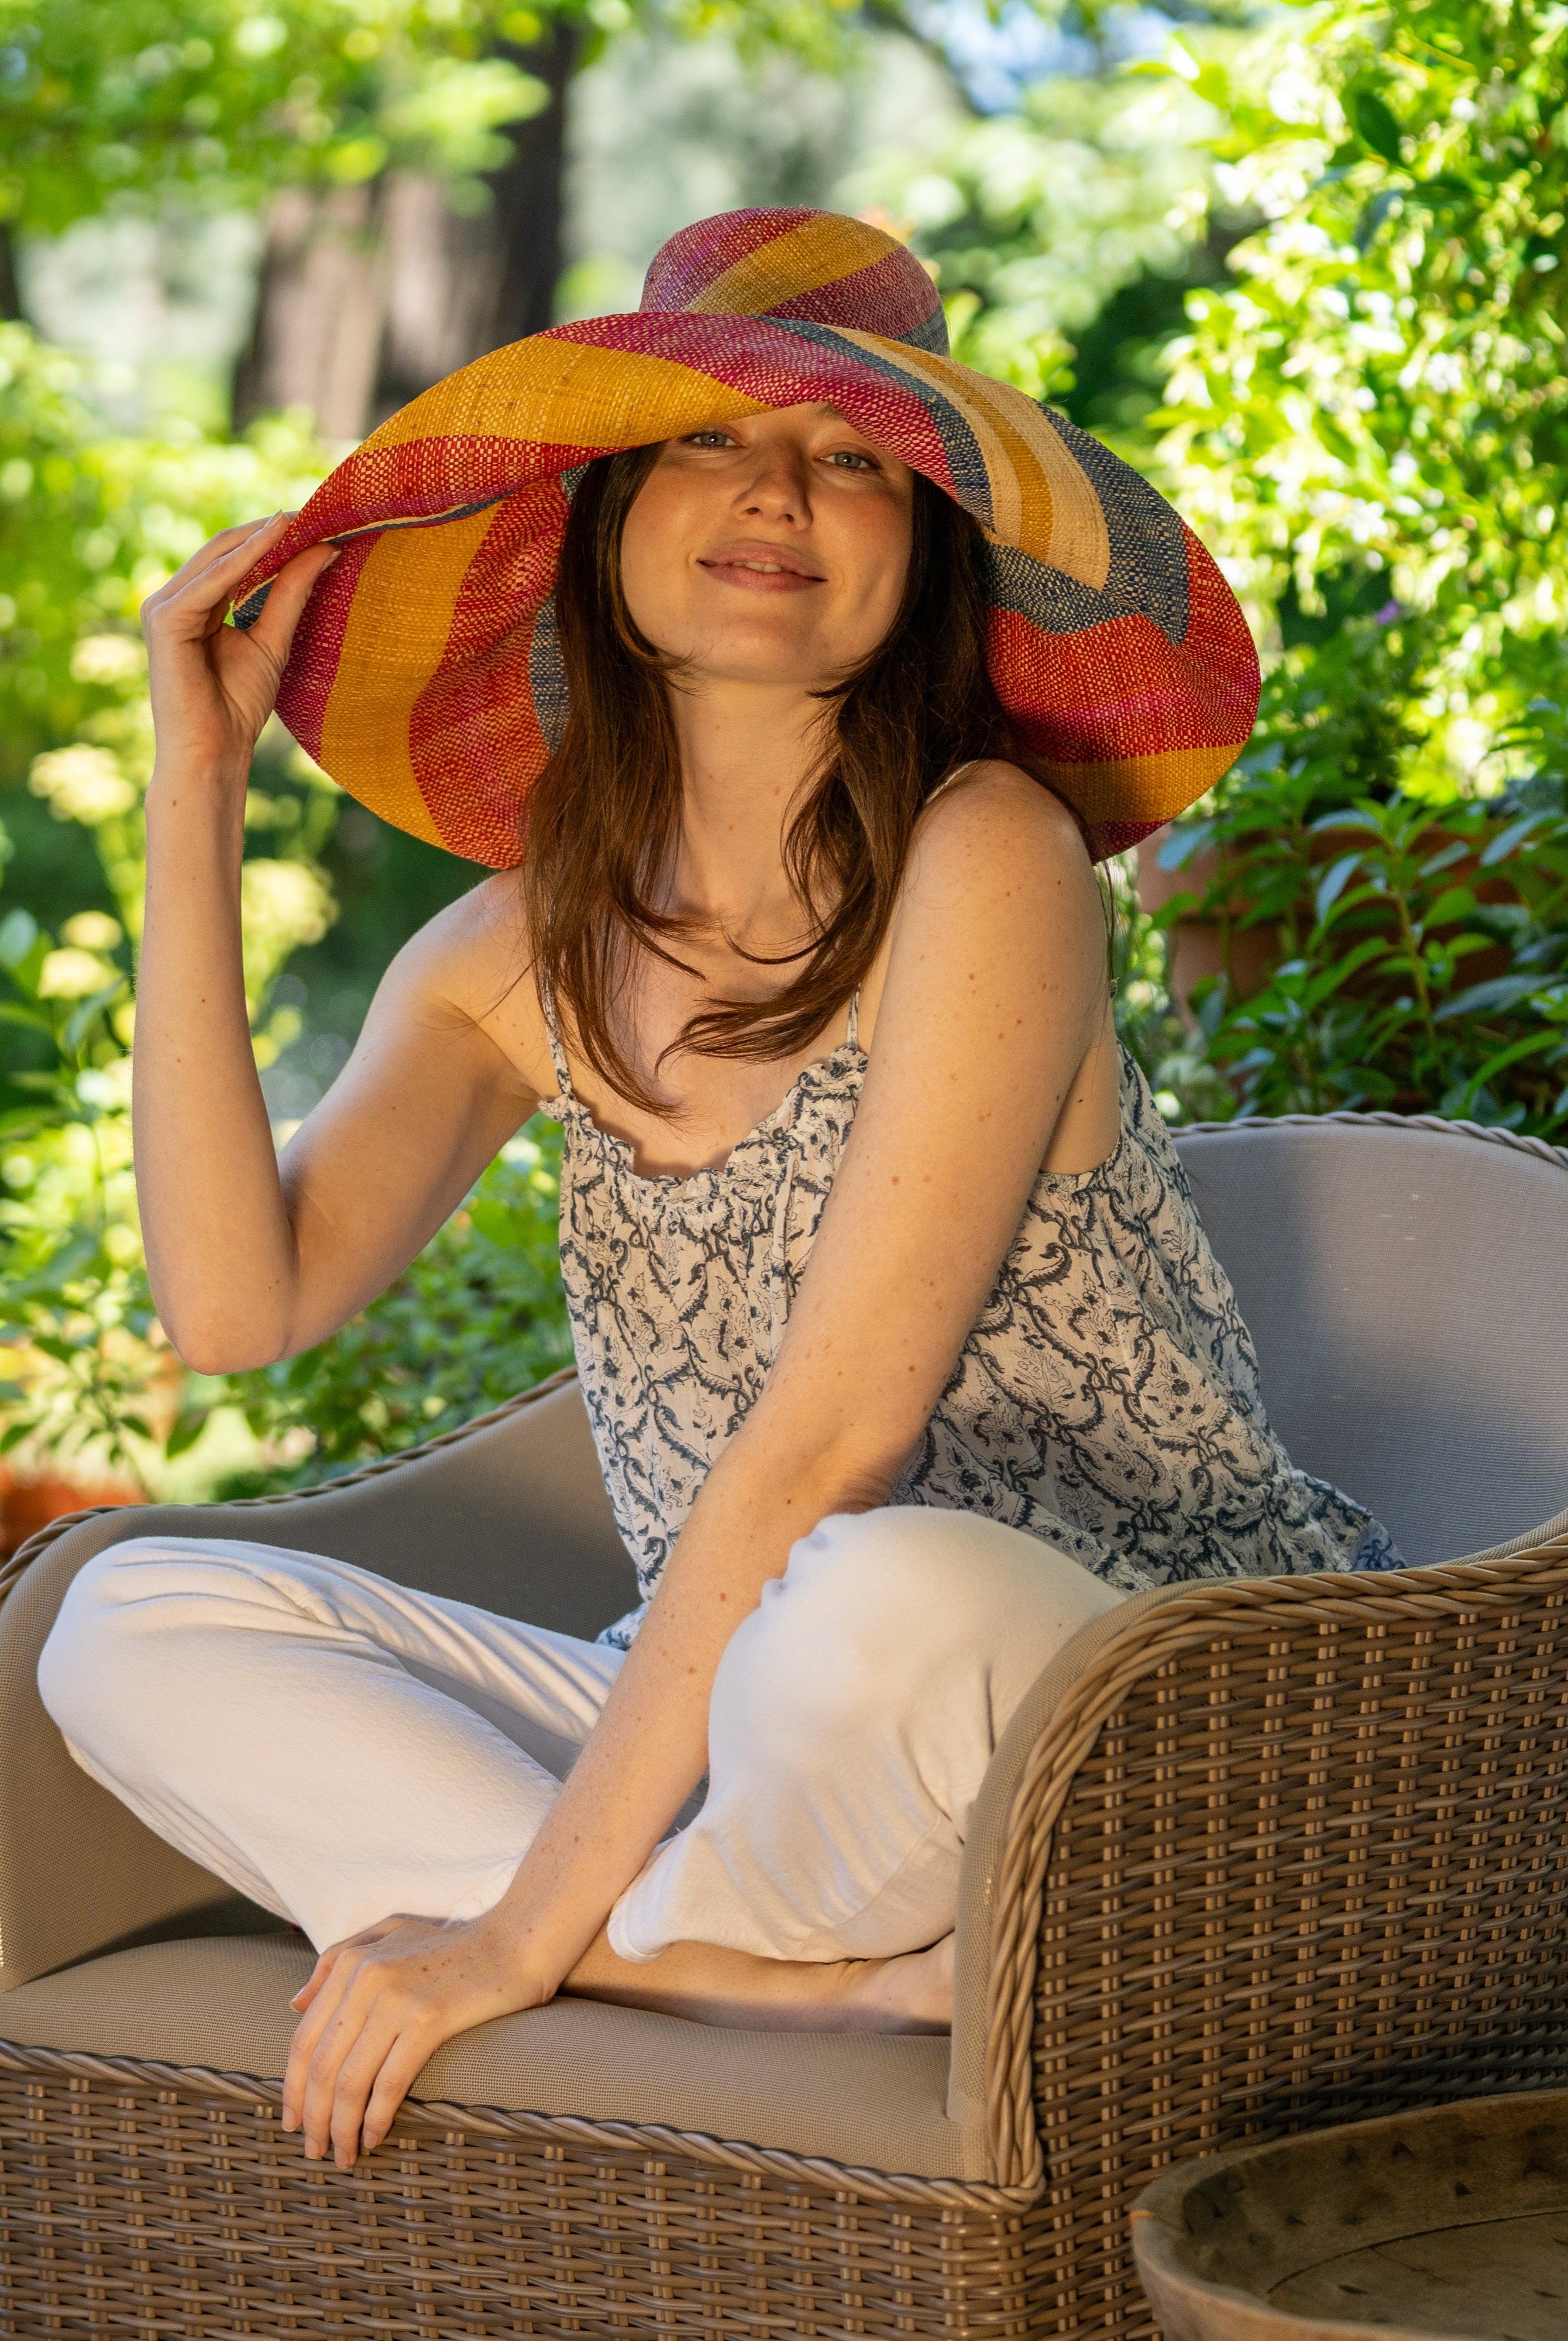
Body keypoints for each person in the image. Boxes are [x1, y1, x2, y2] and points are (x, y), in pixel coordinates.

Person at [37, 208, 1397, 2177]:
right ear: (602, 517)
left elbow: (835, 1436)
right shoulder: (516, 954)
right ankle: (777, 1975)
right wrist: (197, 780)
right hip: (753, 1718)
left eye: (856, 460)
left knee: (879, 1587)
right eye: (705, 438)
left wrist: (509, 1931)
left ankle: (607, 1942)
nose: (778, 492)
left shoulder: (987, 850)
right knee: (126, 1618)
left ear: (922, 554)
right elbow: (236, 1314)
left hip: (1110, 1686)